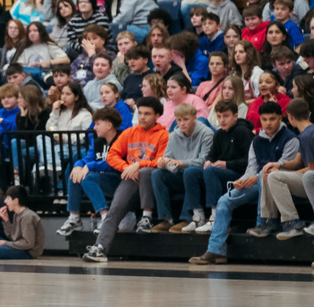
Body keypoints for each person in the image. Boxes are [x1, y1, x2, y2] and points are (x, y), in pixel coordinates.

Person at [189, 101, 298, 264]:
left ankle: (264, 223)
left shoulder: (290, 138)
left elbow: (283, 166)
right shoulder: (257, 140)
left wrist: (255, 177)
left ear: (281, 118)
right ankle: (215, 250)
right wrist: (242, 180)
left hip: (278, 185)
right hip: (256, 182)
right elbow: (251, 166)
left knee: (266, 176)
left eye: (272, 119)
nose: (268, 123)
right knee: (224, 201)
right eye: (264, 119)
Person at [82, 96, 168, 261]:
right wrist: (126, 167)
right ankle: (100, 248)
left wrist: (139, 165)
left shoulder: (164, 135)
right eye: (140, 113)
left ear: (157, 116)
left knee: (146, 172)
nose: (142, 117)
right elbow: (112, 156)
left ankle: (146, 218)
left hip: (150, 180)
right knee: (114, 210)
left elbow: (161, 161)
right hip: (131, 179)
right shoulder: (130, 132)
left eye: (147, 114)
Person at [180, 99, 254, 234]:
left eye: (226, 116)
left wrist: (226, 164)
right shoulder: (219, 134)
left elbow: (250, 162)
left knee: (211, 171)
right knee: (191, 172)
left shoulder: (243, 132)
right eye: (219, 116)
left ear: (236, 116)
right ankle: (198, 217)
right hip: (220, 173)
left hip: (240, 175)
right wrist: (208, 161)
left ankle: (215, 218)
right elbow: (212, 155)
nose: (222, 120)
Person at [148, 103, 215, 232]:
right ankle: (166, 219)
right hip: (180, 174)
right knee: (157, 174)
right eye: (179, 120)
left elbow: (204, 161)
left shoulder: (207, 133)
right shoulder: (173, 136)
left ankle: (187, 218)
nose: (182, 123)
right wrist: (164, 163)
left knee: (189, 173)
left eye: (186, 119)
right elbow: (170, 160)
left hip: (200, 175)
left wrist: (180, 162)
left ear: (194, 118)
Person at [57, 107, 123, 235]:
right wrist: (78, 165)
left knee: (87, 176)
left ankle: (106, 218)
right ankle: (74, 218)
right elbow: (87, 159)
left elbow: (114, 163)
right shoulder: (98, 142)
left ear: (109, 125)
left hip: (120, 182)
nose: (94, 127)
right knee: (74, 175)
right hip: (101, 180)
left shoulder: (122, 138)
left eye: (97, 124)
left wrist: (91, 166)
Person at [262, 99, 314, 239]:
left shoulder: (308, 135)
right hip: (309, 179)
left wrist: (284, 175)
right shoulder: (307, 132)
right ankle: (280, 220)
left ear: (290, 117)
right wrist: (280, 165)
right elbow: (298, 161)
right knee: (275, 173)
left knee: (274, 177)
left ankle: (293, 222)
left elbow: (311, 169)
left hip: (312, 181)